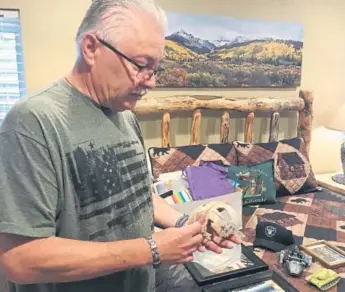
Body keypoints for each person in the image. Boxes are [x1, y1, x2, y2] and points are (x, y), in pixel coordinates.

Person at [0, 1, 241, 292]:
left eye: (155, 69)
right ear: (90, 48)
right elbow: (19, 259)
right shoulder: (32, 122)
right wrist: (152, 250)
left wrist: (188, 223)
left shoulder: (126, 116)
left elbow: (139, 197)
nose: (150, 82)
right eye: (141, 65)